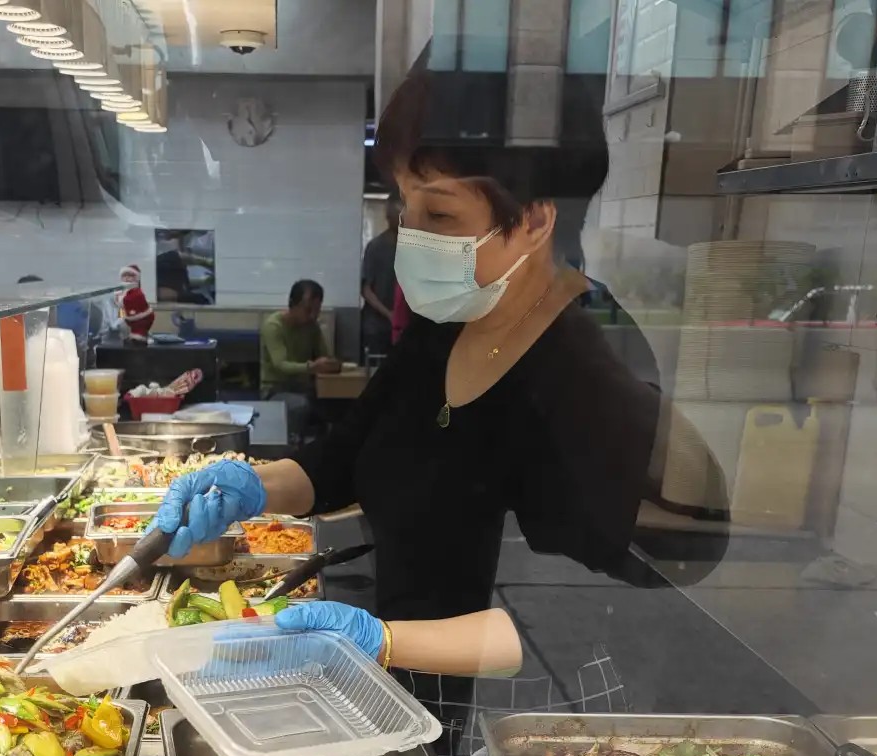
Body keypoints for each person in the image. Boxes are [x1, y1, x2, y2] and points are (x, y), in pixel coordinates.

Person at [151, 61, 727, 693]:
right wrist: (249, 487)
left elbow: (585, 610)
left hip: (507, 721)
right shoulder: (448, 323)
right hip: (411, 698)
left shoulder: (586, 366)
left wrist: (383, 641)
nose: (412, 237)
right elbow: (343, 458)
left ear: (536, 220)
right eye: (406, 206)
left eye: (442, 216)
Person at [260, 279, 341, 395]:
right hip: (276, 388)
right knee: (302, 404)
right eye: (308, 310)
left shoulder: (312, 326)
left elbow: (323, 355)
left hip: (304, 386)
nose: (313, 316)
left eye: (317, 310)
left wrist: (330, 364)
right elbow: (281, 365)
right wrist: (311, 367)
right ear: (292, 304)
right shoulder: (273, 326)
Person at [359, 197, 400, 361]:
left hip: (401, 327)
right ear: (388, 216)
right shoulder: (376, 247)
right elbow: (366, 290)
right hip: (377, 327)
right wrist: (389, 314)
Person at [117, 262, 154, 337]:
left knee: (136, 335)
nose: (127, 278)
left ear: (136, 278)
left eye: (130, 276)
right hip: (126, 318)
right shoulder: (121, 292)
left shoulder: (137, 293)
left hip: (138, 318)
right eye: (124, 275)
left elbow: (132, 308)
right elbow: (121, 308)